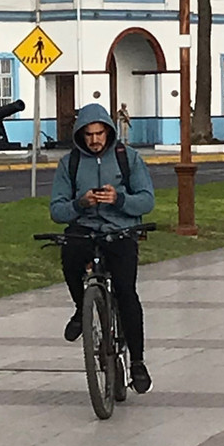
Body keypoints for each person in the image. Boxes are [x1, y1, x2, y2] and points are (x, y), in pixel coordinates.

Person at [49, 103, 156, 393]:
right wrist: (80, 204)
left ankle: (137, 362)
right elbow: (57, 210)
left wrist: (118, 199)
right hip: (85, 229)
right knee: (70, 252)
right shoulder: (69, 164)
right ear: (80, 135)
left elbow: (147, 200)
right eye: (89, 135)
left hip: (120, 231)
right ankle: (79, 309)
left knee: (126, 291)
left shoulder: (128, 158)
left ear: (108, 132)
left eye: (100, 134)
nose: (95, 140)